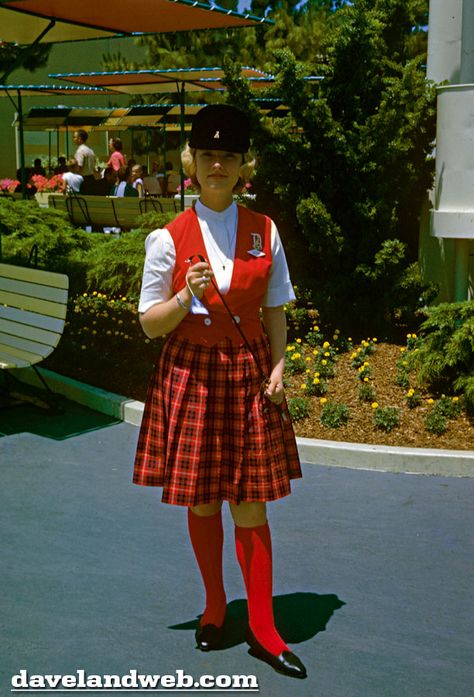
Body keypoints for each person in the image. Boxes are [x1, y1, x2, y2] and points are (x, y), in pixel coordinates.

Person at [133, 104, 306, 679]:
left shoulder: (265, 229)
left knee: (250, 505)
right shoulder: (168, 237)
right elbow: (150, 323)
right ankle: (213, 607)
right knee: (204, 499)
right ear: (191, 161)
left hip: (249, 376)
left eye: (227, 157)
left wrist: (280, 367)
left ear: (242, 167)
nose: (216, 165)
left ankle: (263, 626)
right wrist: (185, 296)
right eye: (207, 155)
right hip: (192, 375)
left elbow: (275, 309)